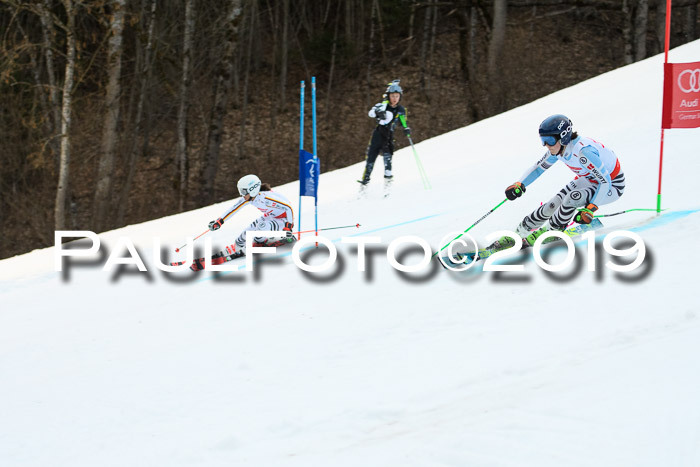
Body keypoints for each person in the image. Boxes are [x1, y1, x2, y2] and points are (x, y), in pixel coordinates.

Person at [503, 114, 625, 246]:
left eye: (549, 140)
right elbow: (538, 169)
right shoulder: (559, 149)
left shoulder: (584, 152)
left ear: (563, 137)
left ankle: (553, 231)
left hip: (612, 186)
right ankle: (519, 232)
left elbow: (605, 182)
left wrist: (590, 208)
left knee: (572, 198)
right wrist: (519, 184)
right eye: (543, 140)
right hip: (589, 179)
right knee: (552, 205)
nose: (546, 145)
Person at [205, 174, 295, 261]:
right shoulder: (249, 198)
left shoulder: (267, 198)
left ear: (252, 190)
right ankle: (238, 246)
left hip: (283, 220)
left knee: (262, 227)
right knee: (244, 235)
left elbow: (288, 208)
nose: (242, 195)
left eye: (243, 192)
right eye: (240, 191)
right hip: (270, 217)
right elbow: (233, 209)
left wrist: (288, 227)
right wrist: (219, 221)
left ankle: (260, 242)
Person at [359, 80, 411, 185]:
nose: (395, 99)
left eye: (397, 96)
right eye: (392, 96)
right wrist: (378, 113)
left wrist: (406, 128)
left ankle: (388, 182)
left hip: (388, 136)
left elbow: (402, 121)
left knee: (388, 158)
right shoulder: (382, 105)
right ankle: (365, 180)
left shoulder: (400, 109)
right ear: (388, 96)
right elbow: (371, 113)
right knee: (371, 157)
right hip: (378, 134)